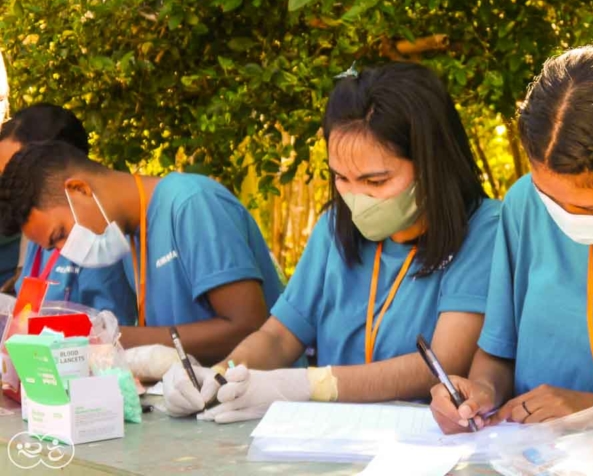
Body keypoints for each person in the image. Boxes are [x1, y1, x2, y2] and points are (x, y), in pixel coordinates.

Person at [161, 62, 501, 422]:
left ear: (432, 164)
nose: (356, 197)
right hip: (328, 438)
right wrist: (220, 374)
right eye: (341, 178)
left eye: (376, 181)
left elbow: (441, 361)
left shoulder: (485, 229)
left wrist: (309, 385)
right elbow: (278, 337)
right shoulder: (336, 226)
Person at [430, 45, 593, 434]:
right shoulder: (525, 205)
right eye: (551, 199)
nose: (564, 218)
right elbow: (498, 355)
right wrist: (479, 394)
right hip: (528, 455)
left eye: (591, 209)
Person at [0, 139, 283, 366]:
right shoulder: (129, 241)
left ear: (79, 189)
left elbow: (249, 327)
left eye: (60, 235)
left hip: (261, 407)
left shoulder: (190, 204)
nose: (67, 251)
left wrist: (109, 337)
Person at [0, 103, 137, 325]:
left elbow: (113, 332)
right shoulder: (39, 234)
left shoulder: (96, 238)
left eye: (14, 171)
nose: (7, 187)